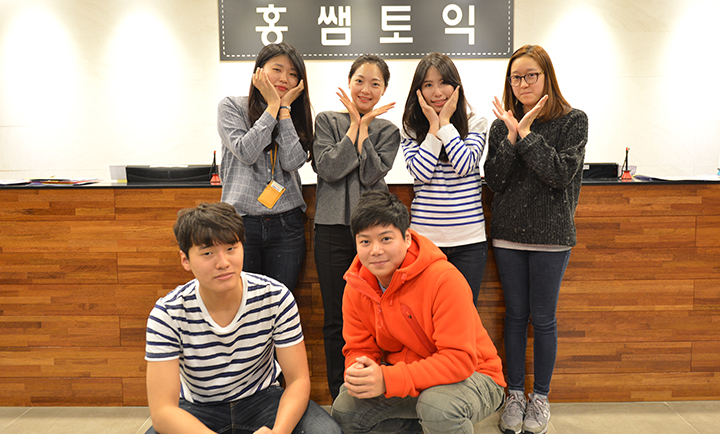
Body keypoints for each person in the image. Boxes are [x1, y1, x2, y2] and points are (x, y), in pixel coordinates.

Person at [144, 202, 342, 434]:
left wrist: (279, 432)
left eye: (231, 248)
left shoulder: (275, 296)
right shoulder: (168, 313)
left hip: (263, 399)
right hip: (198, 407)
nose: (223, 263)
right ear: (185, 259)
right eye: (208, 253)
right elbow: (163, 411)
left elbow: (298, 380)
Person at [331, 190, 506, 434]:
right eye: (365, 242)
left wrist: (387, 380)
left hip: (476, 374)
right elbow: (359, 348)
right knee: (346, 410)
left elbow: (459, 360)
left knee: (437, 407)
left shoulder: (444, 279)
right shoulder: (356, 286)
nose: (376, 250)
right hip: (412, 376)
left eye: (386, 239)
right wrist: (360, 370)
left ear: (406, 238)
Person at [484, 44, 588, 434]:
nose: (524, 83)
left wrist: (527, 133)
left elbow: (560, 174)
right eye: (516, 77)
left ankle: (540, 397)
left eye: (531, 75)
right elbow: (495, 180)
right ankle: (514, 394)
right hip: (508, 236)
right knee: (514, 317)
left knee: (543, 319)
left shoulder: (573, 120)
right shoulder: (501, 126)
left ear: (547, 77)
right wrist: (512, 136)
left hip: (551, 237)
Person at [312, 54, 400, 399]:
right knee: (336, 317)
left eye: (375, 83)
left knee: (380, 315)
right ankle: (341, 395)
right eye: (360, 80)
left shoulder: (388, 130)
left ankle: (379, 393)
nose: (366, 89)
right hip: (332, 230)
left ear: (383, 90)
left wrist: (366, 129)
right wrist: (354, 126)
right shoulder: (326, 120)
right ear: (349, 82)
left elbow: (371, 174)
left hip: (374, 233)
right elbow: (329, 168)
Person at [217, 42, 313, 292]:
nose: (284, 79)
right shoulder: (231, 106)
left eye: (293, 74)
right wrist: (272, 107)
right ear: (259, 71)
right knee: (243, 302)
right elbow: (246, 152)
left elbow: (292, 161)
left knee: (280, 302)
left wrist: (284, 111)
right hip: (241, 222)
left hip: (286, 223)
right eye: (277, 69)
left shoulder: (294, 114)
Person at [401, 52, 488, 306]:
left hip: (469, 240)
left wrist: (446, 123)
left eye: (443, 83)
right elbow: (421, 172)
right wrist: (433, 127)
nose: (437, 92)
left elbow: (464, 165)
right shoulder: (410, 128)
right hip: (425, 240)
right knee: (425, 313)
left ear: (455, 85)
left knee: (463, 313)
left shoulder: (476, 123)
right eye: (428, 85)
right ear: (419, 91)